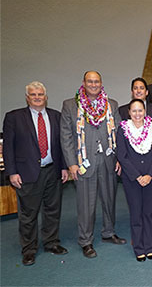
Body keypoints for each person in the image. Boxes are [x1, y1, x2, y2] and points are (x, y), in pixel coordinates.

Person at [60, 71, 126, 259]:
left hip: (108, 161)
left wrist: (120, 158)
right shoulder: (70, 105)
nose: (94, 84)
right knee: (85, 204)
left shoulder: (111, 104)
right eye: (90, 81)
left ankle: (108, 232)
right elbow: (65, 137)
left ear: (101, 83)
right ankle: (85, 240)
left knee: (109, 199)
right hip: (83, 162)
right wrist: (71, 164)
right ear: (83, 83)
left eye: (96, 81)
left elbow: (119, 134)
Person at [3, 81, 69, 266]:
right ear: (27, 97)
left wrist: (64, 167)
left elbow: (61, 145)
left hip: (52, 170)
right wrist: (12, 172)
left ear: (46, 97)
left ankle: (51, 243)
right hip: (26, 173)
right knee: (28, 214)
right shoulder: (14, 117)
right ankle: (29, 249)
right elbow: (8, 148)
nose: (38, 97)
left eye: (40, 94)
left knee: (52, 210)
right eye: (33, 94)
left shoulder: (56, 116)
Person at [119, 77, 152, 241]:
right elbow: (121, 143)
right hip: (132, 166)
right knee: (135, 203)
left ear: (146, 92)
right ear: (132, 91)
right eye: (135, 88)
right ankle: (137, 235)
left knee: (151, 201)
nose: (138, 91)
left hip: (151, 165)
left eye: (141, 88)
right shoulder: (122, 110)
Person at [116, 99, 152, 262]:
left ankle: (150, 246)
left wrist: (150, 174)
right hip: (131, 178)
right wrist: (136, 176)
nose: (137, 114)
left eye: (140, 110)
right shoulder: (122, 129)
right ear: (129, 112)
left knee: (148, 213)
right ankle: (139, 248)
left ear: (145, 111)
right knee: (136, 213)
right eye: (134, 111)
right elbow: (122, 155)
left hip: (151, 177)